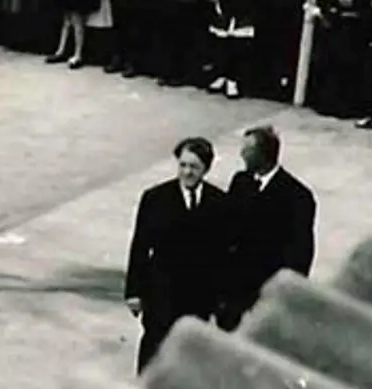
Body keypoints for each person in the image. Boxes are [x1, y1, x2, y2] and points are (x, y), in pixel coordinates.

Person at [123, 134, 239, 373]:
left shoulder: (220, 203)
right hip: (161, 294)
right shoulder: (155, 198)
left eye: (194, 167)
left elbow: (225, 254)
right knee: (154, 351)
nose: (187, 172)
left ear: (206, 169)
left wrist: (221, 298)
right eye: (183, 165)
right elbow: (140, 247)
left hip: (198, 296)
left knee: (190, 356)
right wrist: (134, 292)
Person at [224, 123, 318, 323]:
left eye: (247, 150)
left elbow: (300, 254)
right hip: (235, 291)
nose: (242, 154)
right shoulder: (241, 182)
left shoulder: (298, 197)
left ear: (264, 154)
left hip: (268, 292)